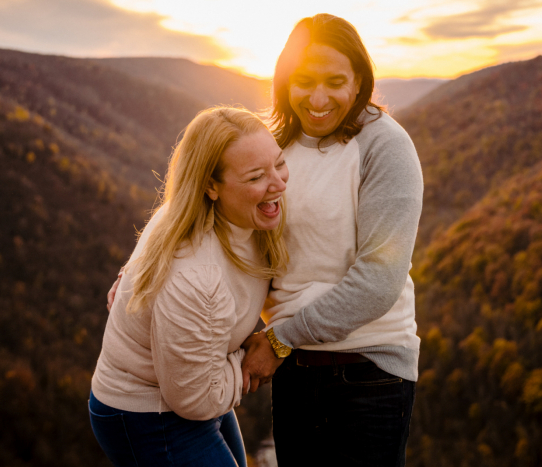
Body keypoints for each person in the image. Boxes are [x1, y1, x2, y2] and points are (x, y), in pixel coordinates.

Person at [240, 13, 423, 467]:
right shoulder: (273, 144)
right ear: (285, 81)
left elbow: (378, 282)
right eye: (304, 81)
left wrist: (280, 339)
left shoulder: (384, 145)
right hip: (294, 373)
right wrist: (153, 259)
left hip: (368, 375)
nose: (318, 98)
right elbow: (216, 214)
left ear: (358, 81)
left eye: (335, 81)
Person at [91, 106, 289, 467]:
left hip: (194, 381)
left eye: (280, 163)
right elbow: (195, 399)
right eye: (257, 176)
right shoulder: (196, 276)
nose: (278, 184)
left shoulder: (244, 211)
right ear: (210, 186)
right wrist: (255, 355)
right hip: (148, 414)